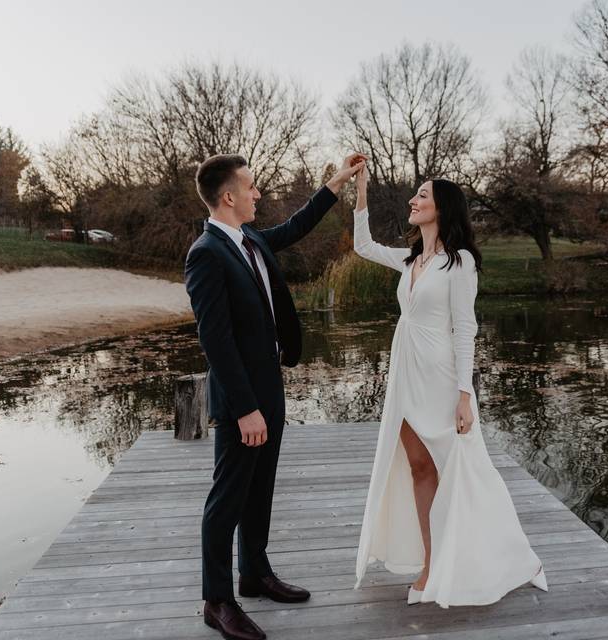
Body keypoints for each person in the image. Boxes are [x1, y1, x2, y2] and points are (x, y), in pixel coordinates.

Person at [351, 163, 548, 608]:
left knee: (464, 469)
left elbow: (465, 329)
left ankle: (512, 555)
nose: (413, 201)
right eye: (415, 195)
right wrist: (361, 188)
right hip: (405, 375)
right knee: (419, 467)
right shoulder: (409, 260)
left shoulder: (460, 263)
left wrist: (465, 395)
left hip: (441, 379)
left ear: (442, 208)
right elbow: (362, 245)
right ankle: (432, 560)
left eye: (422, 195)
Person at [185, 152, 365, 640]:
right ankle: (216, 599)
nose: (258, 194)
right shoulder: (207, 252)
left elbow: (297, 225)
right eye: (252, 187)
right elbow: (215, 340)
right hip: (242, 399)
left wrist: (336, 183)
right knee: (227, 499)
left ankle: (254, 573)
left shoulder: (252, 241)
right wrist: (244, 409)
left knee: (261, 488)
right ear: (229, 196)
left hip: (270, 388)